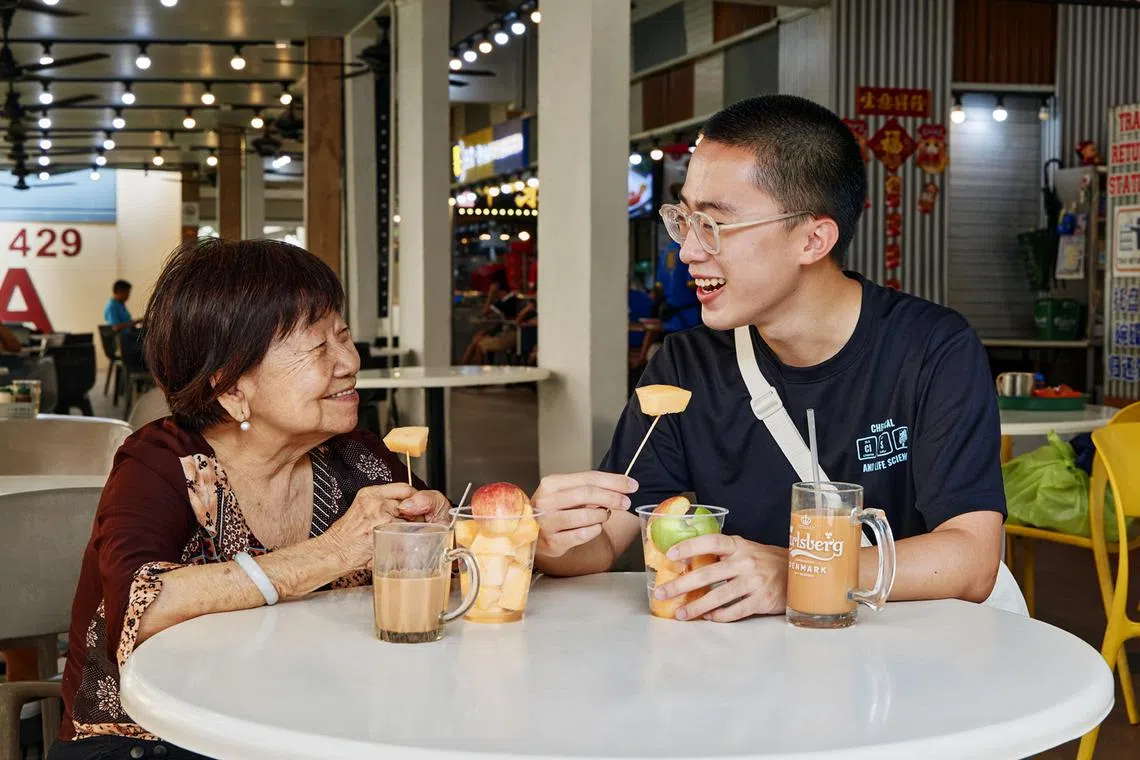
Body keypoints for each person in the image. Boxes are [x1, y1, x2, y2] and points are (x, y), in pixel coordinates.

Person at [531, 95, 1005, 622]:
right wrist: (542, 534)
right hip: (748, 679)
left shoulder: (932, 348)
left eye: (714, 224)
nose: (687, 250)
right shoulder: (687, 366)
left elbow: (972, 557)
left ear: (813, 239)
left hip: (904, 669)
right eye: (684, 219)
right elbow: (602, 544)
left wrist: (798, 571)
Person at [51, 239, 450, 760]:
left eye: (344, 336)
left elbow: (431, 579)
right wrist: (331, 553)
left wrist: (440, 534)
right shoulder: (162, 463)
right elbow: (140, 609)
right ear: (231, 387)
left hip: (316, 719)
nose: (350, 361)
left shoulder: (358, 455)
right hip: (157, 740)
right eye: (318, 346)